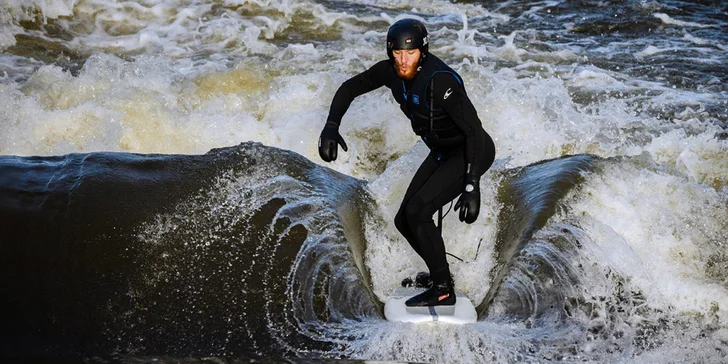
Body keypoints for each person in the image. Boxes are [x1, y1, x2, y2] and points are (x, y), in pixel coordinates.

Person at [318, 19, 496, 307]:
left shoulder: (441, 82)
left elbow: (474, 131)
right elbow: (350, 88)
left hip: (470, 151)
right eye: (397, 53)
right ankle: (441, 277)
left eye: (410, 54)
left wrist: (472, 183)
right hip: (440, 151)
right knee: (405, 219)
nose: (403, 61)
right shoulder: (391, 72)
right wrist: (331, 125)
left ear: (422, 52)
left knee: (419, 210)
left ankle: (442, 290)